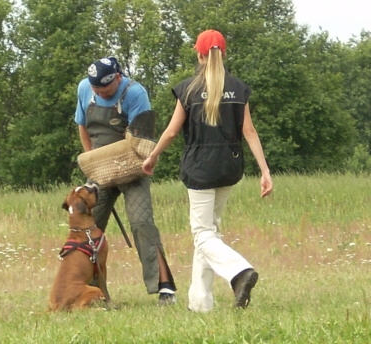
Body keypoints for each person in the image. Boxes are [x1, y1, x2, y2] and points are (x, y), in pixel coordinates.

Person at [142, 30, 273, 312]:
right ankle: (200, 303)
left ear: (198, 54)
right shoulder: (238, 89)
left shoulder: (188, 89)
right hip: (229, 167)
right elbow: (248, 131)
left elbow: (172, 131)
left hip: (200, 168)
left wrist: (152, 156)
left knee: (202, 234)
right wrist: (265, 171)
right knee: (209, 232)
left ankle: (240, 272)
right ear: (223, 54)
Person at [74, 56, 177, 306]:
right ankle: (91, 292)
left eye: (103, 88)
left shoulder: (135, 93)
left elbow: (142, 141)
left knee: (142, 223)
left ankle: (164, 288)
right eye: (95, 88)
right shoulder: (84, 89)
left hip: (132, 167)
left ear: (117, 78)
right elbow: (82, 126)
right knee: (87, 228)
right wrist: (92, 160)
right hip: (100, 169)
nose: (98, 91)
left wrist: (131, 166)